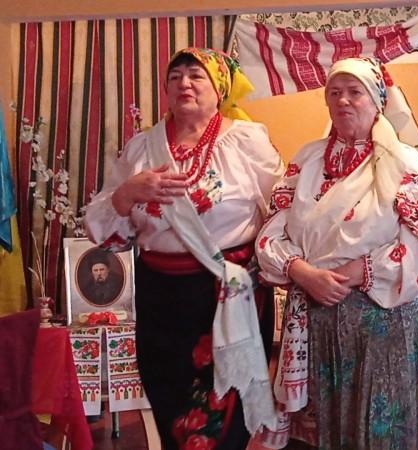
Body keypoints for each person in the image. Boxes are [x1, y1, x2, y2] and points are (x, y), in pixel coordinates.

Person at [84, 47, 283, 449]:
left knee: (225, 414)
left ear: (219, 88)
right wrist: (128, 192)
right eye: (175, 77)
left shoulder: (246, 141)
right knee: (171, 404)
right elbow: (104, 230)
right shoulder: (142, 148)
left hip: (226, 295)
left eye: (196, 76)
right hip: (161, 297)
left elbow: (281, 209)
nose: (184, 84)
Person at [254, 57, 418, 449]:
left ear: (377, 101)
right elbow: (272, 231)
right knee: (326, 421)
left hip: (386, 317)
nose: (343, 101)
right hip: (318, 312)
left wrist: (359, 271)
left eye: (355, 92)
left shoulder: (402, 160)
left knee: (380, 423)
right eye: (335, 93)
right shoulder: (307, 160)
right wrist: (303, 272)